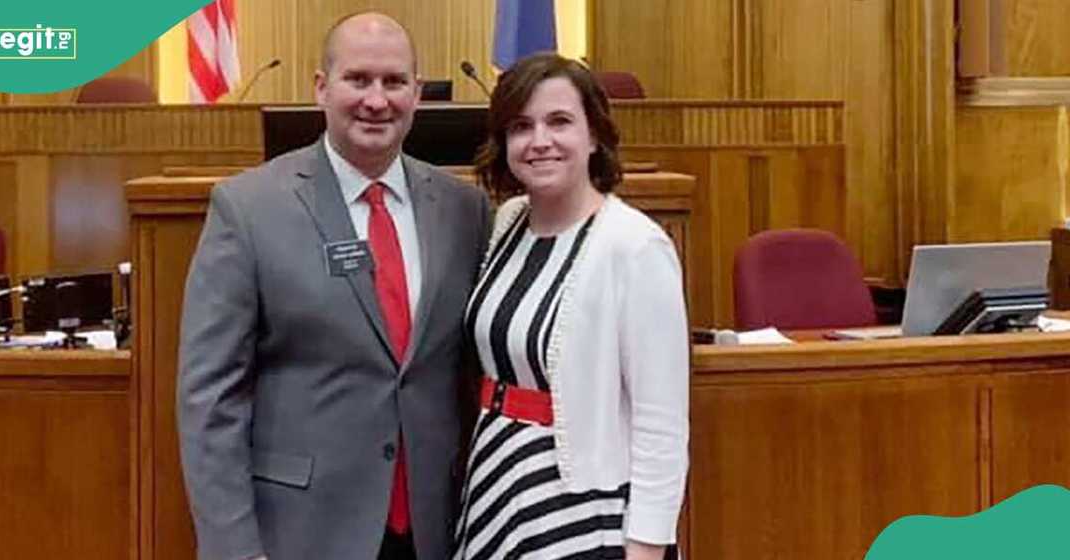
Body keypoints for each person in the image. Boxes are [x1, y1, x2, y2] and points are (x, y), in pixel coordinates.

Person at [177, 12, 491, 560]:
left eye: (394, 82)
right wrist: (233, 548)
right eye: (358, 79)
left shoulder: (464, 209)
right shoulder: (248, 209)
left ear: (417, 94)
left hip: (436, 528)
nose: (377, 100)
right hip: (301, 531)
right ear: (321, 88)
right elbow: (210, 398)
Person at [454, 54, 689, 560]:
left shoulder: (633, 245)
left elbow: (661, 424)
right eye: (521, 126)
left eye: (559, 121)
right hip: (498, 478)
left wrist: (647, 547)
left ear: (595, 135)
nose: (540, 140)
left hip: (582, 503)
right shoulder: (508, 223)